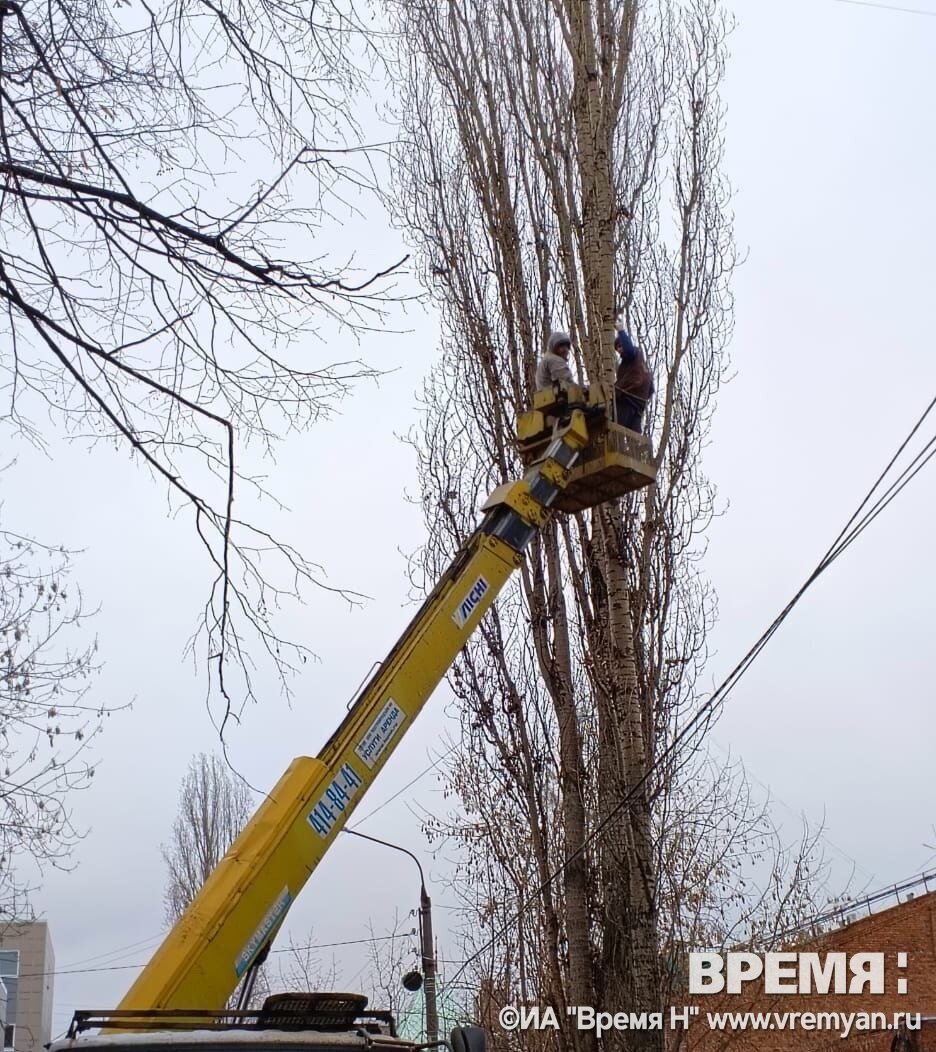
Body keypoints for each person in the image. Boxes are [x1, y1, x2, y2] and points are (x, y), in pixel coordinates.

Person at [614, 326, 653, 433]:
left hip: (628, 400)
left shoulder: (632, 354)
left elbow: (629, 349)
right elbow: (651, 389)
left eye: (620, 346)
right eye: (617, 349)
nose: (619, 350)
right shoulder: (642, 366)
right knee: (635, 435)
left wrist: (621, 331)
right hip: (639, 405)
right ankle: (636, 448)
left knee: (617, 428)